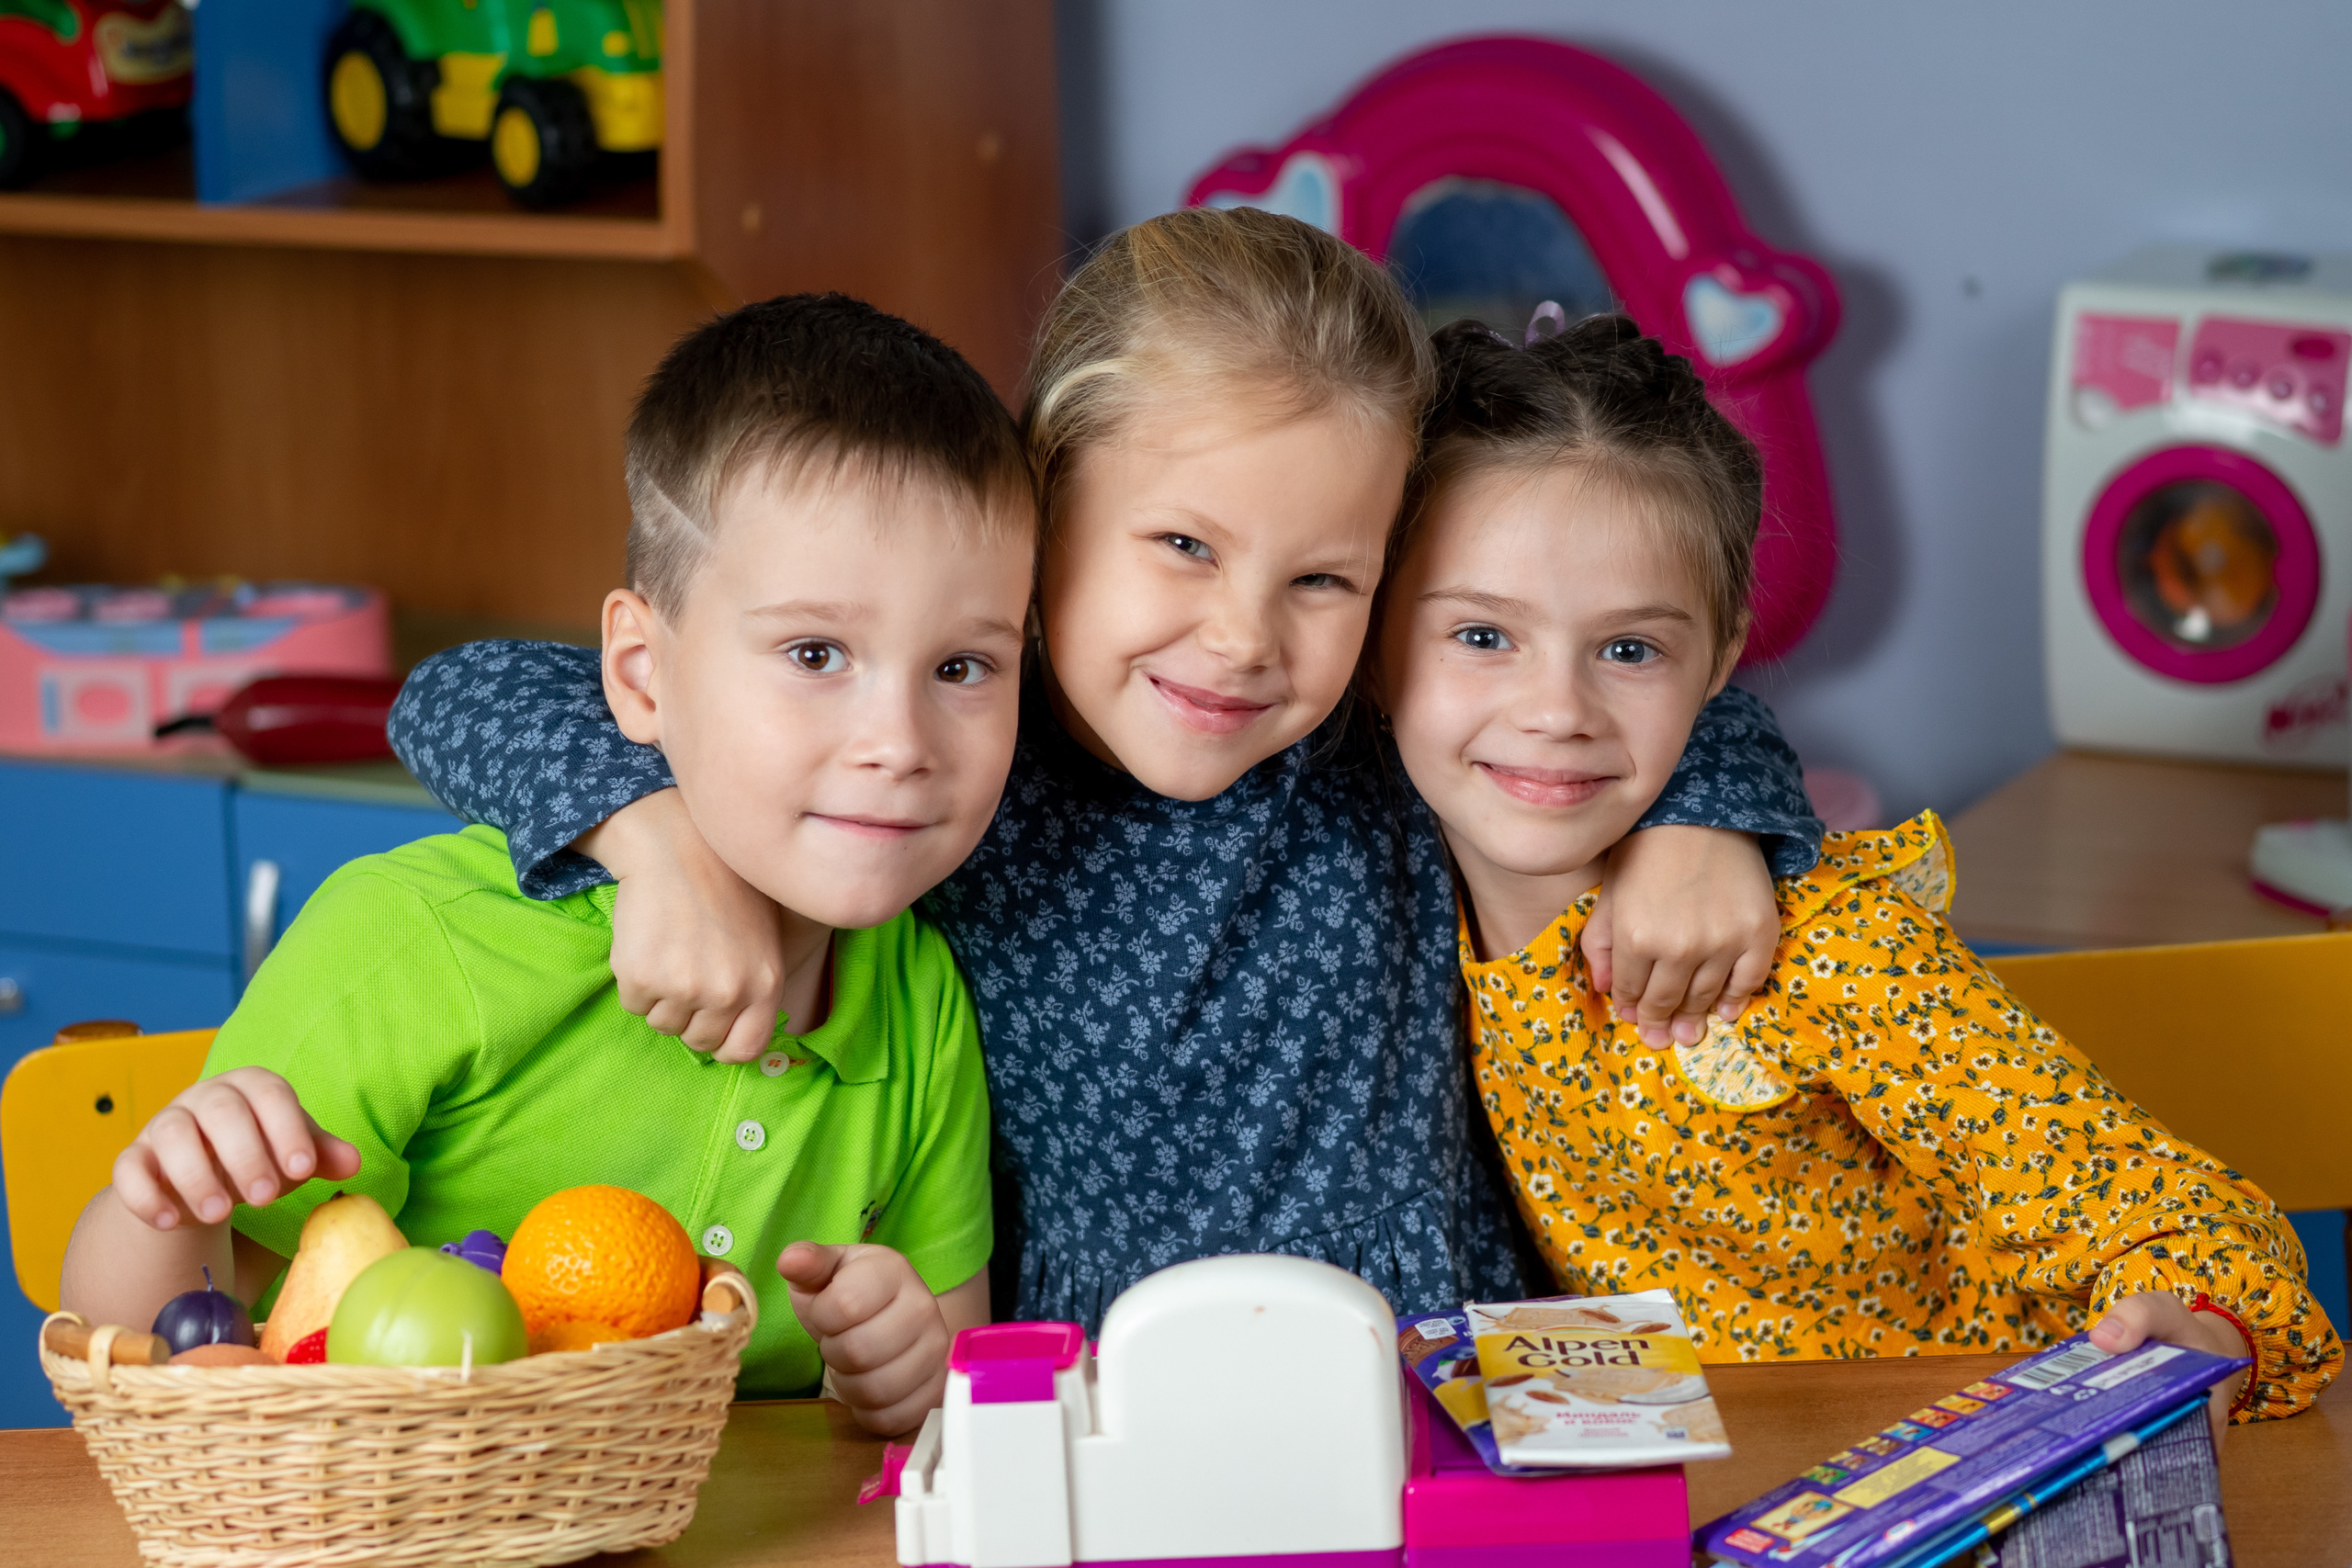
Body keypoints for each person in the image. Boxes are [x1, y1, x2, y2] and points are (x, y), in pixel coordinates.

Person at [387, 208, 1828, 1331]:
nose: (1243, 636)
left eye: (1324, 576)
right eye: (1185, 546)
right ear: (1051, 491)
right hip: (1092, 1403)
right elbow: (469, 689)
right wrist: (660, 841)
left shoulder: (1372, 721)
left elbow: (1647, 674)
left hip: (1430, 1375)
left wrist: (1703, 823)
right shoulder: (945, 744)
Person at [60, 294, 1035, 1436]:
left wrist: (911, 1371)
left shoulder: (918, 1003)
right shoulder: (417, 942)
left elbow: (956, 1383)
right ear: (639, 673)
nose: (901, 745)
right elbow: (159, 1357)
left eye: (965, 668)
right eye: (815, 652)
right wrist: (168, 1204)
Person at [1369, 312, 2342, 1429]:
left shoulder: (1825, 950)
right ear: (1376, 636)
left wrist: (2201, 1324)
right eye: (1482, 636)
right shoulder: (1382, 889)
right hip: (1680, 1480)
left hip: (1956, 1472)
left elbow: (2168, 1212)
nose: (1555, 712)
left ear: (1720, 659)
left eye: (1629, 650)